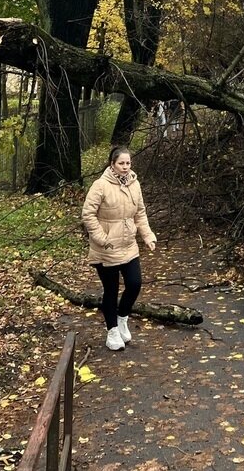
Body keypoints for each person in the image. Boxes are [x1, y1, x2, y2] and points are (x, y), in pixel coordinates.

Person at [81, 146, 156, 351]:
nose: (125, 167)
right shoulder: (100, 186)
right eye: (121, 163)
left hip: (128, 244)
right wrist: (102, 238)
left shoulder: (134, 184)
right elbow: (88, 215)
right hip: (106, 246)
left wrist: (147, 236)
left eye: (128, 163)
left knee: (134, 283)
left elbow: (140, 213)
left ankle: (122, 318)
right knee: (111, 290)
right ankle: (112, 330)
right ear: (112, 164)